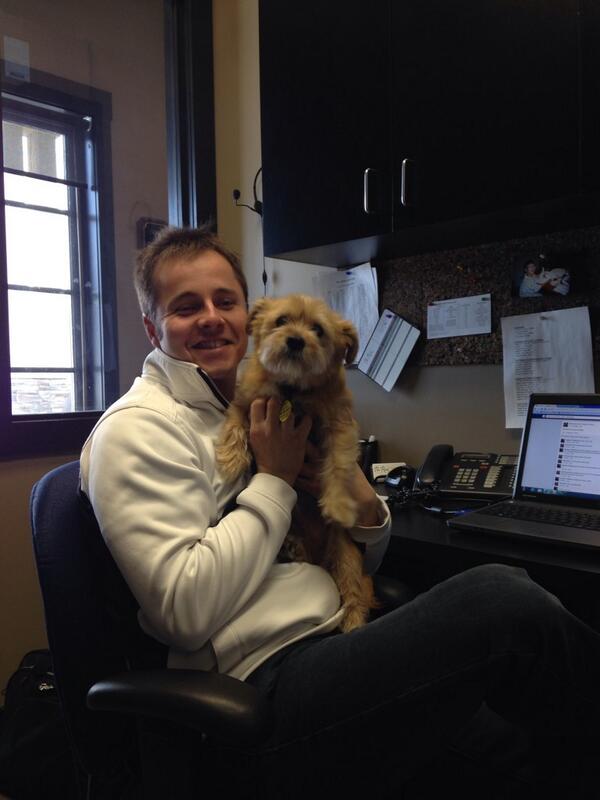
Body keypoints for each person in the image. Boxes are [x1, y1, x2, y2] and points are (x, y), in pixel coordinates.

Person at [81, 225, 600, 798]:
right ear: (152, 326)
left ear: (245, 317)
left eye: (224, 301)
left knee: (529, 751)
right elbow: (184, 611)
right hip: (263, 689)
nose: (210, 318)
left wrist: (356, 496)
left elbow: (368, 555)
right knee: (502, 598)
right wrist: (275, 480)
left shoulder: (250, 401)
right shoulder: (137, 432)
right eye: (185, 307)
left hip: (335, 638)